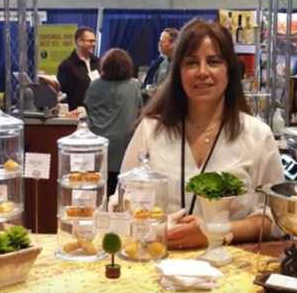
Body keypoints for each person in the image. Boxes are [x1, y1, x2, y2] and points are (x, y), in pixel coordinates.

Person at [118, 18, 284, 250]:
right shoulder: (151, 129)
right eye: (191, 63)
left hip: (230, 270)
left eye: (214, 61)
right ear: (178, 72)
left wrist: (216, 233)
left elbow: (275, 218)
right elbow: (119, 205)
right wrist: (154, 225)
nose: (202, 72)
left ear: (230, 70)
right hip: (157, 266)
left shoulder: (258, 135)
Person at [84, 48, 142, 196]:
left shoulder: (95, 85)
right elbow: (140, 110)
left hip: (98, 144)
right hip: (124, 145)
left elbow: (88, 109)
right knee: (120, 194)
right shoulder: (134, 86)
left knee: (97, 192)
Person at [57, 27, 100, 110]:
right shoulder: (66, 66)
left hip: (97, 113)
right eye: (90, 41)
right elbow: (62, 94)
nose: (94, 44)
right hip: (76, 116)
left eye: (94, 41)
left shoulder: (99, 62)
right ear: (79, 41)